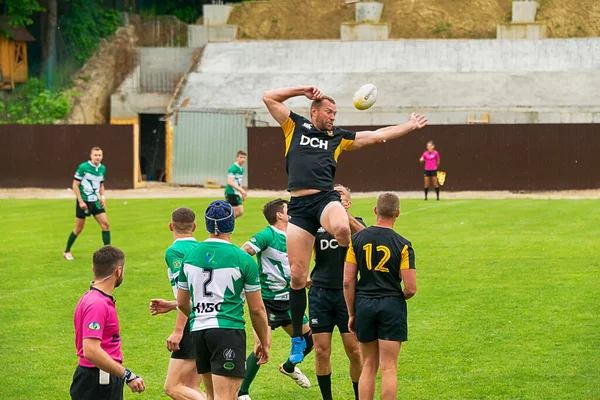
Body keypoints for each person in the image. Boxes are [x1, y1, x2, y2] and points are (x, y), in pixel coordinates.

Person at [262, 85, 427, 363]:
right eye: (329, 112)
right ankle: (297, 341)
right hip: (300, 207)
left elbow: (376, 136)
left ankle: (366, 278)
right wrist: (303, 90)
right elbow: (269, 97)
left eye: (335, 113)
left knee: (341, 229)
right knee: (298, 276)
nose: (333, 117)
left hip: (326, 199)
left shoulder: (338, 137)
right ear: (314, 111)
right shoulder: (295, 125)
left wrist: (409, 125)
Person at [177, 200, 271, 400]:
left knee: (212, 396)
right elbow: (257, 310)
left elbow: (181, 302)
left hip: (199, 331)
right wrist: (264, 341)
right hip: (227, 332)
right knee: (226, 397)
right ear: (232, 224)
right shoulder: (242, 259)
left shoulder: (190, 256)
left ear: (207, 224)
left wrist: (198, 315)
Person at [343, 193, 417, 400]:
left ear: (375, 211)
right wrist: (395, 296)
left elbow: (348, 281)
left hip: (364, 304)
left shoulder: (356, 240)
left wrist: (352, 312)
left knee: (368, 365)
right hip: (391, 305)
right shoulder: (403, 244)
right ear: (398, 213)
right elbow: (410, 288)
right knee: (389, 367)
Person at [238, 199, 313, 400]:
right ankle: (242, 392)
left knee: (309, 341)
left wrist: (303, 279)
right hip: (267, 302)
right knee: (262, 347)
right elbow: (244, 251)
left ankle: (289, 367)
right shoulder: (267, 234)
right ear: (279, 215)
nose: (293, 211)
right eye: (289, 208)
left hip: (290, 300)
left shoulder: (295, 235)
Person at [308, 184, 364, 400]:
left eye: (340, 194)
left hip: (347, 295)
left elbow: (365, 238)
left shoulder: (358, 224)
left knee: (355, 351)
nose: (335, 196)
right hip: (320, 294)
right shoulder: (318, 225)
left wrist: (345, 216)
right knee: (321, 351)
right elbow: (299, 248)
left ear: (348, 202)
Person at [70, 245, 146, 399]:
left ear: (93, 269)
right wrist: (127, 375)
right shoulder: (97, 304)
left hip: (99, 377)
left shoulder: (94, 298)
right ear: (118, 271)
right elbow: (90, 350)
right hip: (98, 380)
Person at [148, 207, 207, 400]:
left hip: (193, 322)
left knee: (172, 387)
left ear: (170, 226)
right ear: (195, 227)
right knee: (191, 386)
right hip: (208, 318)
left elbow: (189, 294)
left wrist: (178, 330)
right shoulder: (202, 249)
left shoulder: (174, 251)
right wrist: (172, 304)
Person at [64, 147, 111, 261]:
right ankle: (67, 251)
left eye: (99, 155)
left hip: (95, 201)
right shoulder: (83, 167)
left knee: (106, 225)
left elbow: (101, 185)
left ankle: (109, 253)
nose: (97, 157)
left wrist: (102, 197)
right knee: (79, 228)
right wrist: (80, 201)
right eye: (95, 155)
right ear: (91, 156)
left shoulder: (102, 169)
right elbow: (75, 185)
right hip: (84, 201)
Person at [225, 150, 248, 218]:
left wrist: (241, 193)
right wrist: (241, 190)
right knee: (234, 212)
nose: (243, 159)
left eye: (244, 158)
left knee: (240, 212)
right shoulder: (233, 168)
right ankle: (225, 224)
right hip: (231, 192)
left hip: (236, 193)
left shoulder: (241, 169)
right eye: (241, 157)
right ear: (237, 158)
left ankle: (225, 223)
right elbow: (230, 182)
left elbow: (238, 182)